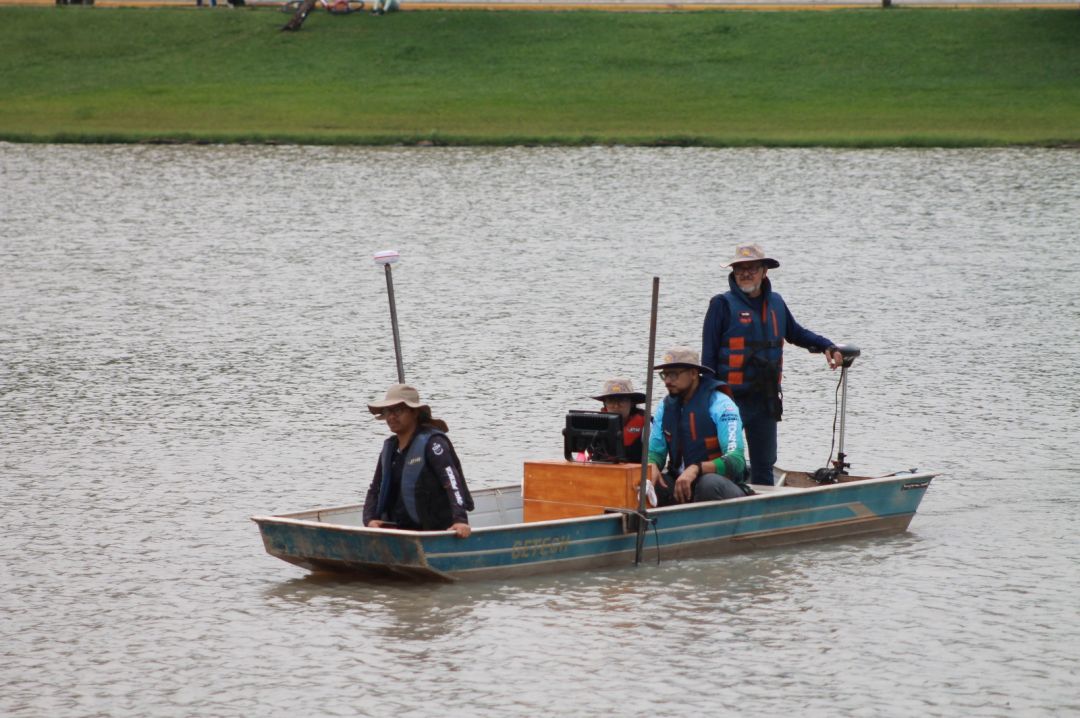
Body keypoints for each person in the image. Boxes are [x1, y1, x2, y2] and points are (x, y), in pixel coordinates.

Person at [702, 243, 843, 486]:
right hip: (729, 402)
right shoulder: (721, 305)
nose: (745, 274)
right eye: (739, 269)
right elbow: (708, 358)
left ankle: (762, 511)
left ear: (764, 271)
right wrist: (708, 398)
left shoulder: (777, 303)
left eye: (752, 269)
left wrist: (826, 346)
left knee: (764, 464)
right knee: (727, 462)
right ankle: (724, 506)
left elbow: (796, 333)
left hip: (765, 400)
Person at [362, 384, 474, 537]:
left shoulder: (433, 443)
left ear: (414, 413)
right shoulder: (390, 448)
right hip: (400, 530)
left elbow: (452, 481)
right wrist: (369, 520)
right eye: (388, 411)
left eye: (398, 410)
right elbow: (375, 488)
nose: (391, 417)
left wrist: (460, 520)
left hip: (435, 531)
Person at [645, 347, 749, 506]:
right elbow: (655, 453)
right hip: (681, 484)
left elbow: (736, 460)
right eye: (665, 375)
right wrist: (651, 465)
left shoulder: (722, 404)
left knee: (708, 484)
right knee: (649, 484)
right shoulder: (664, 407)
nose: (667, 381)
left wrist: (696, 469)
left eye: (673, 374)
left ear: (693, 374)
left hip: (721, 486)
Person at [591, 377, 647, 461]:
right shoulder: (595, 425)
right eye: (611, 400)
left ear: (632, 403)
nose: (616, 406)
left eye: (622, 400)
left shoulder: (647, 425)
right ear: (605, 404)